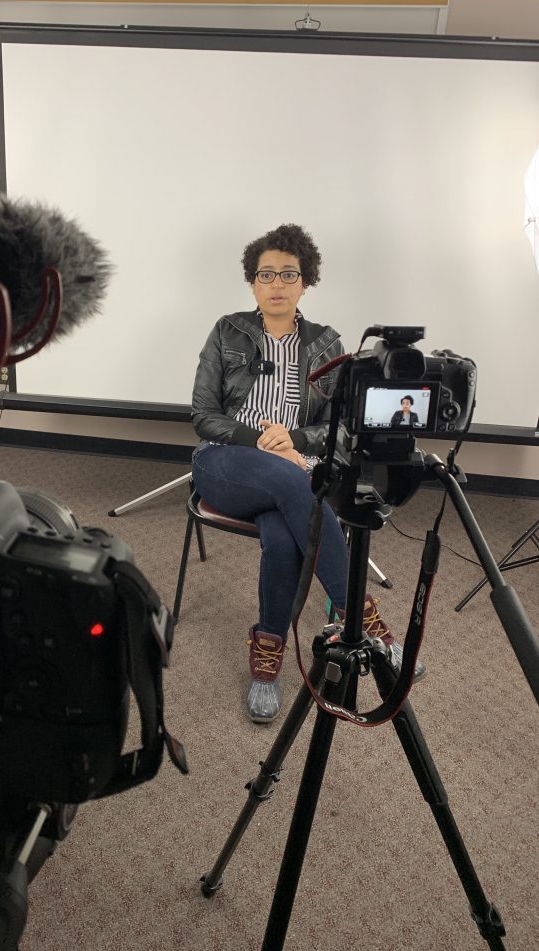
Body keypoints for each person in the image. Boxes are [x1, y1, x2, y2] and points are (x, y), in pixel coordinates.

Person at [191, 223, 424, 724]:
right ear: (252, 282)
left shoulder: (326, 343)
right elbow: (203, 414)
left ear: (305, 281)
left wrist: (295, 442)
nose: (276, 283)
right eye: (266, 274)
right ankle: (365, 624)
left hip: (299, 468)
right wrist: (261, 441)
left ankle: (267, 656)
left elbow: (340, 430)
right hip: (226, 461)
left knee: (282, 537)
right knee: (293, 484)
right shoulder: (228, 330)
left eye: (288, 274)